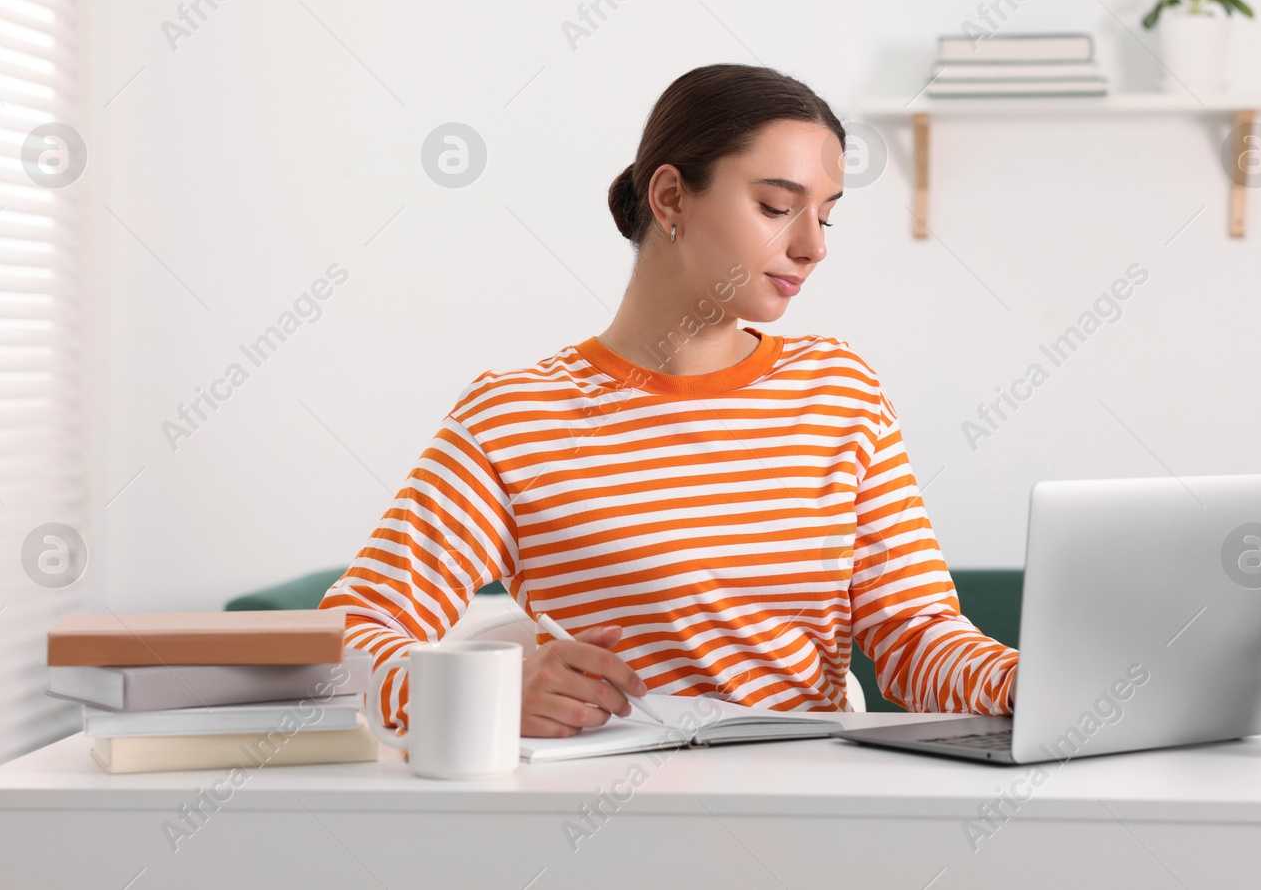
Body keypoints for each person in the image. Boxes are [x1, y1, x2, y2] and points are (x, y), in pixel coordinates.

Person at [320, 63, 1018, 739]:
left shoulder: (838, 392)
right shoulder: (514, 418)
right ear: (672, 198)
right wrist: (492, 691)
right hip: (606, 813)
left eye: (826, 218)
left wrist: (1025, 682)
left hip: (810, 800)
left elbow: (916, 635)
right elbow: (345, 641)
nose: (811, 247)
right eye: (777, 207)